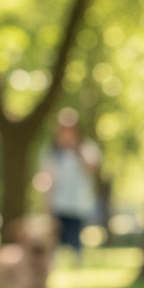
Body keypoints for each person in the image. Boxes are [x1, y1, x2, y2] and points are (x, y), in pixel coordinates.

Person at [36, 109, 101, 265]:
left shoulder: (86, 148)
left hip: (78, 204)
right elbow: (46, 176)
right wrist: (45, 200)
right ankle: (53, 266)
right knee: (54, 239)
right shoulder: (52, 152)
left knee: (75, 239)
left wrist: (76, 149)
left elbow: (92, 168)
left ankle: (76, 266)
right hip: (58, 203)